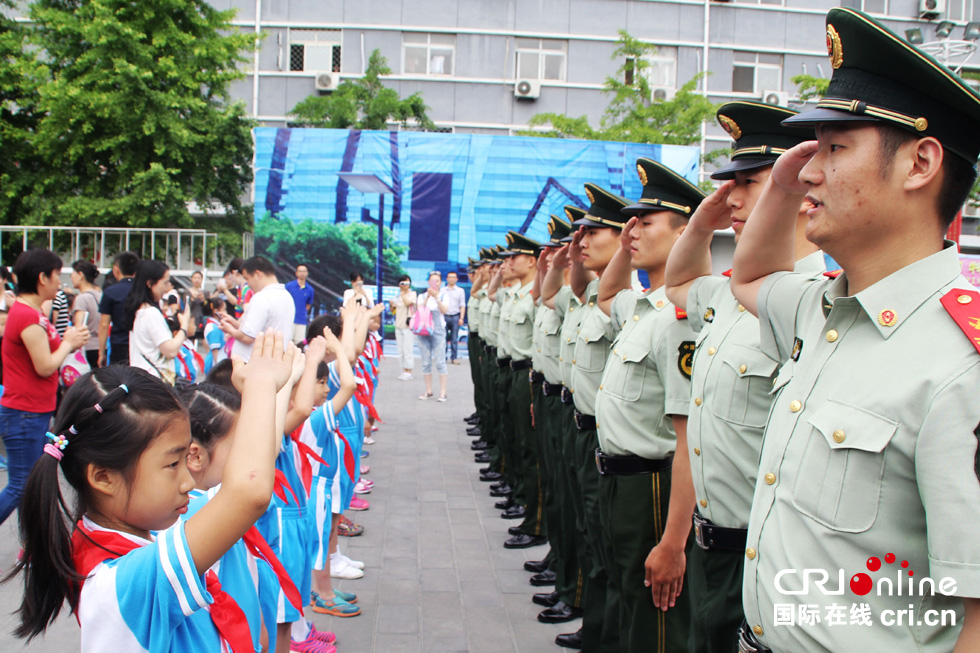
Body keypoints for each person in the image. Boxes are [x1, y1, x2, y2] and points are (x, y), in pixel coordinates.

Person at [728, 8, 980, 651]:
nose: (809, 169)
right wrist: (784, 187)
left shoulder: (960, 363)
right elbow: (749, 278)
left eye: (834, 148)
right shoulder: (826, 309)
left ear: (920, 163)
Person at [9, 333, 294, 649]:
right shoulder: (124, 581)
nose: (187, 482)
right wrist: (260, 386)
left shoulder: (121, 537)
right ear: (103, 478)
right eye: (173, 464)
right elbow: (247, 493)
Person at [663, 101, 824, 653]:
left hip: (762, 557)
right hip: (713, 549)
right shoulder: (731, 294)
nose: (731, 197)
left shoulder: (819, 305)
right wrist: (703, 222)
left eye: (750, 182)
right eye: (727, 183)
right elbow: (679, 282)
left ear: (798, 190)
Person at [593, 159, 705, 653]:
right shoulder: (641, 307)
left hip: (653, 489)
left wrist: (674, 541)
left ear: (685, 233)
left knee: (655, 623)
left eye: (646, 223)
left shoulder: (678, 320)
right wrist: (623, 247)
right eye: (629, 223)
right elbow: (606, 293)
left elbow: (689, 443)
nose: (632, 232)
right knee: (624, 603)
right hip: (618, 480)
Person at [0, 249, 89, 527]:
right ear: (42, 277)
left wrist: (67, 341)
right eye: (56, 275)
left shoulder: (31, 312)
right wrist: (68, 343)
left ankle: (32, 547)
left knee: (32, 485)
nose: (59, 283)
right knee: (21, 485)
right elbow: (45, 366)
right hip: (24, 412)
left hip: (31, 412)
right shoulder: (27, 315)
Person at [125, 260, 195, 381]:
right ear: (150, 283)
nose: (167, 287)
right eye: (165, 283)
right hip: (154, 384)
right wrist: (184, 326)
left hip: (141, 380)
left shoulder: (140, 310)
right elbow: (171, 351)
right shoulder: (150, 313)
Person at [220, 256, 295, 362]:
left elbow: (248, 337)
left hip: (251, 364)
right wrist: (233, 322)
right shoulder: (287, 297)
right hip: (273, 361)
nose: (247, 284)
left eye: (247, 279)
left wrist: (229, 330)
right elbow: (259, 329)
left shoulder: (262, 297)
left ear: (258, 274)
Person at [98, 250, 140, 367]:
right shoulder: (142, 291)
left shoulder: (110, 292)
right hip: (140, 344)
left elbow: (104, 325)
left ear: (116, 269)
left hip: (119, 344)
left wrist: (101, 352)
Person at [416, 271, 449, 400]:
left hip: (438, 330)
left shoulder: (443, 296)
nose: (434, 283)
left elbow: (444, 310)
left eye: (437, 281)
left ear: (441, 283)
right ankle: (428, 390)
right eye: (432, 281)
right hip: (423, 330)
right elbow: (419, 309)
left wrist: (436, 297)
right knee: (425, 361)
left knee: (440, 361)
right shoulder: (421, 296)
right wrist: (427, 297)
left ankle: (443, 392)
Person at [69, 260, 103, 369]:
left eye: (73, 274)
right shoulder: (99, 295)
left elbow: (79, 327)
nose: (71, 278)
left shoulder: (81, 298)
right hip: (100, 346)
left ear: (80, 275)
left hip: (87, 349)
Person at [390, 274, 417, 380]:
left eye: (407, 283)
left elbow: (408, 303)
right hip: (398, 325)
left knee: (407, 349)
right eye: (402, 283)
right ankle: (403, 370)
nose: (405, 285)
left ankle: (409, 371)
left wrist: (403, 294)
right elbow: (393, 311)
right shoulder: (397, 296)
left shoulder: (412, 294)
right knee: (400, 350)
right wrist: (392, 304)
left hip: (408, 325)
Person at [285, 263, 315, 344]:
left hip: (301, 320)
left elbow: (308, 304)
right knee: (286, 342)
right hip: (288, 320)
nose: (302, 273)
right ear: (296, 273)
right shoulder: (289, 286)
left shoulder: (310, 289)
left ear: (307, 273)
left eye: (304, 271)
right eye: (300, 271)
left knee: (299, 344)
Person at [441, 271, 466, 364]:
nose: (451, 279)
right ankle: (443, 357)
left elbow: (462, 305)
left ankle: (454, 358)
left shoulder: (460, 291)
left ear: (456, 279)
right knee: (443, 338)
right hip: (444, 316)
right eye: (450, 277)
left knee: (454, 339)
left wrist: (461, 318)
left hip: (455, 316)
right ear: (447, 279)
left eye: (453, 277)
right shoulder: (442, 290)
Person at [186, 270, 207, 337]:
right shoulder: (187, 292)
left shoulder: (205, 293)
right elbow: (186, 307)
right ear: (191, 279)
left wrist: (204, 300)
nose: (197, 280)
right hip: (191, 319)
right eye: (195, 278)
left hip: (202, 319)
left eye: (199, 278)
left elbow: (208, 308)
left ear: (201, 279)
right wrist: (192, 299)